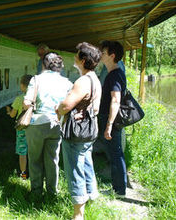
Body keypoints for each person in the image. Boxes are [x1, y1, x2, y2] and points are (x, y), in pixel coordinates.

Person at [56, 42, 102, 220]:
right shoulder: (94, 79)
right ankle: (91, 197)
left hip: (77, 133)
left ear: (83, 60)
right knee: (86, 164)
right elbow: (94, 108)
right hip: (89, 130)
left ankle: (78, 214)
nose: (74, 58)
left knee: (74, 169)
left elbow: (67, 105)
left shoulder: (83, 81)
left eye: (76, 55)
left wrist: (58, 109)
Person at [24, 52, 73, 197]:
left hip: (37, 124)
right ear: (60, 66)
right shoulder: (67, 83)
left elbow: (27, 102)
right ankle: (52, 192)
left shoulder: (36, 79)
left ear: (45, 64)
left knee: (34, 159)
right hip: (57, 124)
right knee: (53, 159)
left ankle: (36, 192)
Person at [99, 40, 127, 197]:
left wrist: (109, 125)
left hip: (112, 120)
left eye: (104, 53)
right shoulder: (113, 73)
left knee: (115, 154)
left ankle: (119, 191)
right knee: (115, 153)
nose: (101, 55)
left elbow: (115, 100)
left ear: (112, 55)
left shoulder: (115, 75)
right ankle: (118, 188)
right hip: (111, 119)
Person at [6, 74, 33, 180]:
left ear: (22, 86)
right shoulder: (37, 98)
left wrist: (9, 111)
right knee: (34, 152)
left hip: (22, 129)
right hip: (34, 128)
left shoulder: (19, 99)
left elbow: (13, 115)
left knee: (22, 153)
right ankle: (36, 174)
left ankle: (23, 176)